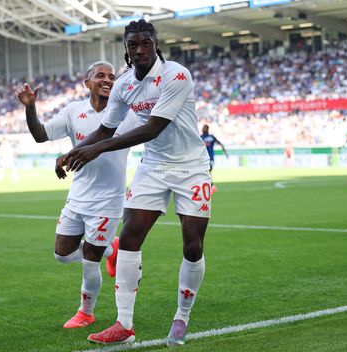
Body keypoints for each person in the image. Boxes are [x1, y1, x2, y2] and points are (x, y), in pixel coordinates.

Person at [62, 19, 211, 347]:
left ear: (155, 44)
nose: (140, 50)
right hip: (154, 166)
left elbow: (152, 128)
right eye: (133, 45)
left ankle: (182, 316)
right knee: (129, 237)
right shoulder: (124, 84)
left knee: (192, 244)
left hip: (191, 167)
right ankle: (124, 325)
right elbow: (105, 129)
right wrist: (72, 153)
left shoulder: (176, 75)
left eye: (146, 43)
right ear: (126, 50)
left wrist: (96, 149)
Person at [16, 61, 138, 329]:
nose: (107, 80)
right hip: (78, 195)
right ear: (87, 83)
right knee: (62, 254)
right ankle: (111, 248)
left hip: (108, 200)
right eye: (100, 76)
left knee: (89, 261)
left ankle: (86, 312)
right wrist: (30, 107)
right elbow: (40, 135)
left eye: (111, 76)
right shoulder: (74, 111)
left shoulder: (126, 113)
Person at [200, 124, 228, 190]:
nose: (203, 129)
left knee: (208, 170)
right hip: (202, 158)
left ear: (207, 129)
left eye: (204, 128)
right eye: (203, 128)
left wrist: (225, 151)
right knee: (204, 172)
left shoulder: (211, 137)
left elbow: (220, 143)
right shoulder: (200, 137)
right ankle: (209, 185)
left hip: (210, 157)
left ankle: (210, 185)